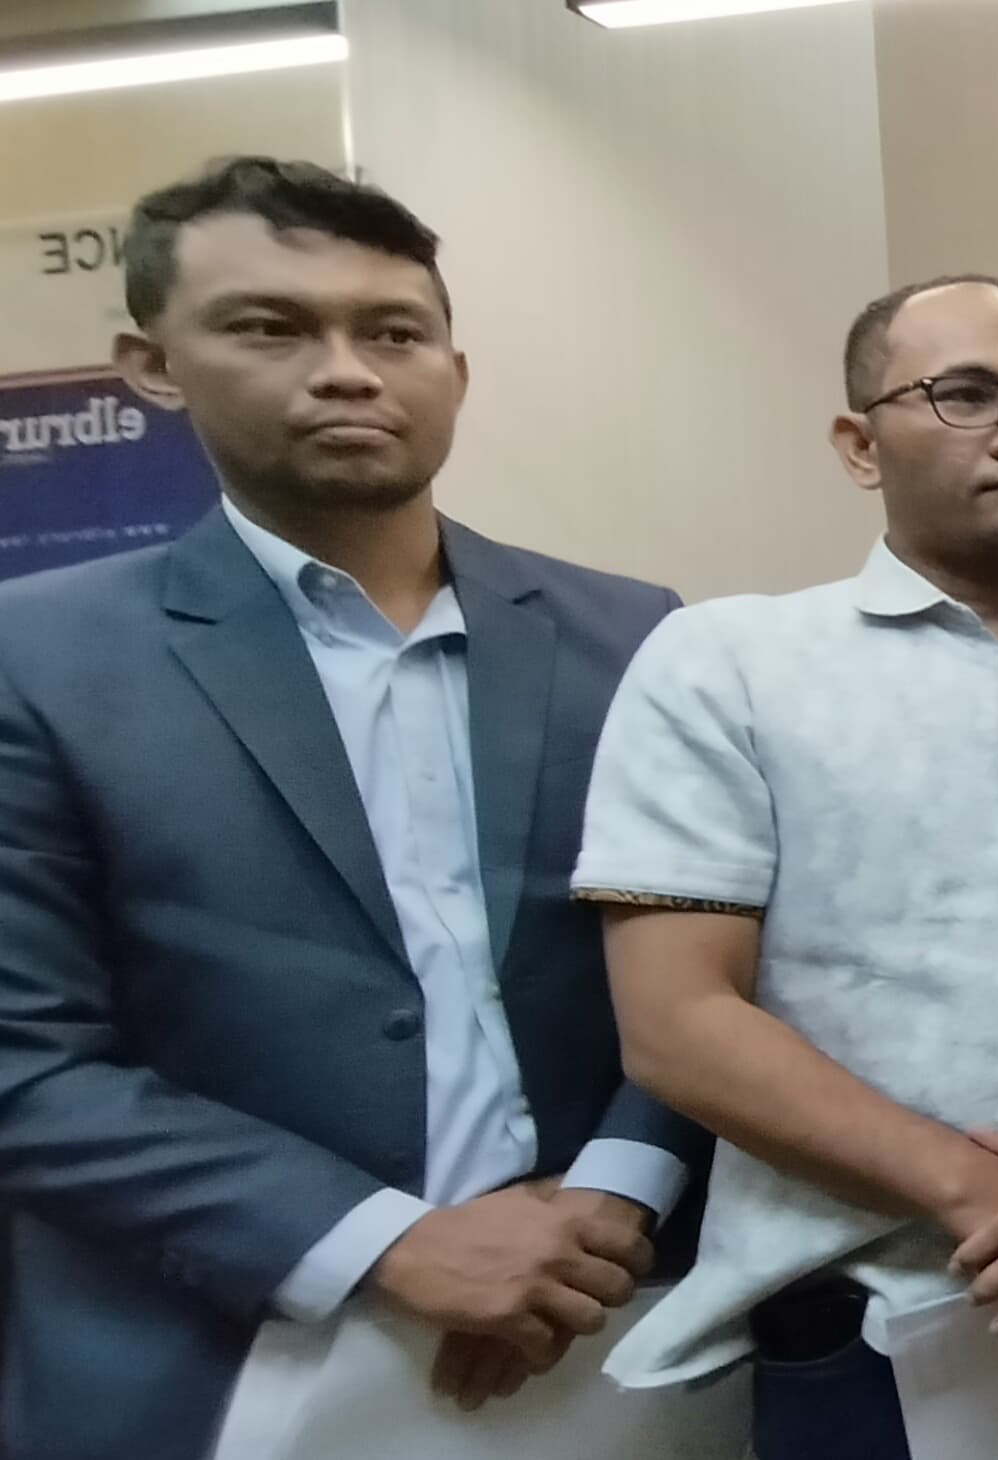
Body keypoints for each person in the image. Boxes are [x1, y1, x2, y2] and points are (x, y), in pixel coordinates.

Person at [0, 157, 711, 1456]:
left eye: (394, 331)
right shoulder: (37, 660)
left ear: (455, 365)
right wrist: (389, 1243)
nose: (346, 370)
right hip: (216, 1359)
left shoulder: (637, 635)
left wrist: (623, 1184)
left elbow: (718, 966)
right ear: (150, 363)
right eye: (271, 327)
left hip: (610, 1332)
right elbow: (26, 1060)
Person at [575, 274, 998, 1460]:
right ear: (857, 442)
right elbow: (677, 1022)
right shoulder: (727, 663)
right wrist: (984, 1198)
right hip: (867, 1330)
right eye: (967, 394)